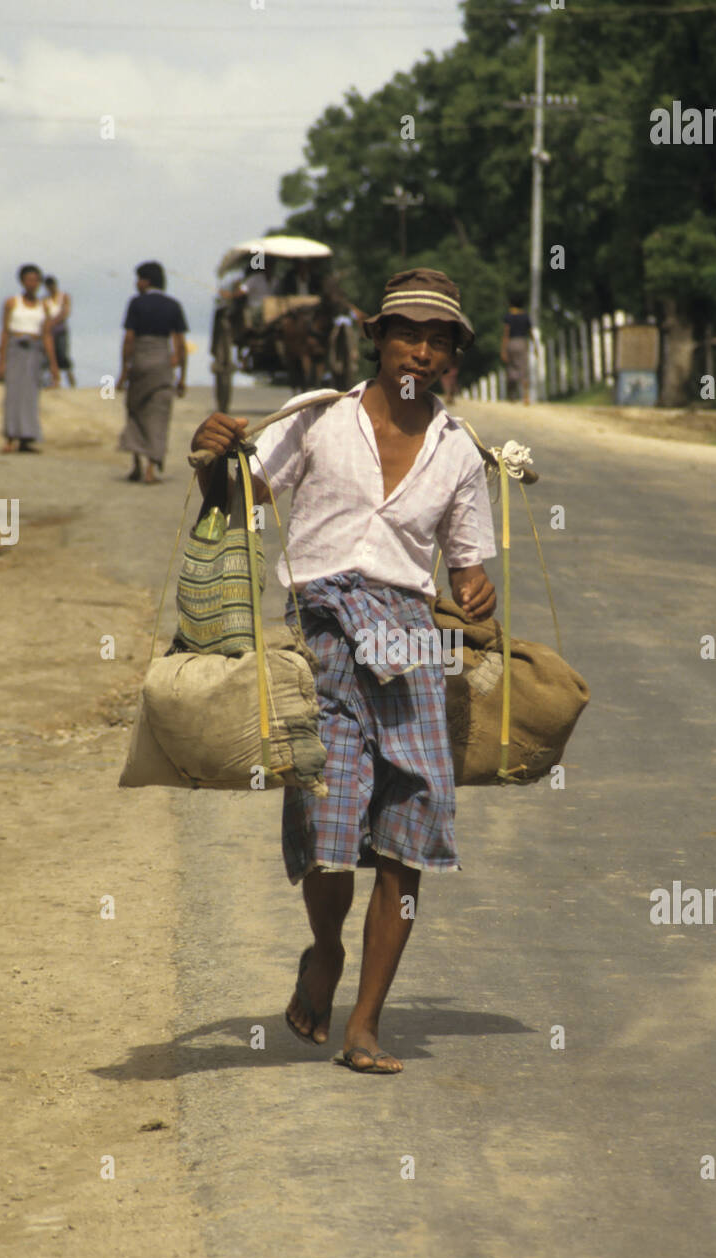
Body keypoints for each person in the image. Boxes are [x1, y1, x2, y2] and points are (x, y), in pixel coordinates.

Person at [190, 268, 497, 1075]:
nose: (420, 351)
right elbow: (240, 498)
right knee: (328, 828)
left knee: (411, 826)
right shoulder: (319, 418)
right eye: (407, 333)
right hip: (322, 632)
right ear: (378, 338)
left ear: (452, 355)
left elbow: (467, 568)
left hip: (410, 644)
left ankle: (366, 1022)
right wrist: (210, 457)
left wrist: (472, 588)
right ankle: (323, 949)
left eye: (437, 340)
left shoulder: (460, 451)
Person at [118, 261, 188, 484]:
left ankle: (136, 464)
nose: (136, 283)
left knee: (136, 411)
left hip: (140, 361)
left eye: (139, 278)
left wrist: (123, 371)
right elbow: (180, 344)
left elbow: (129, 339)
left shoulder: (136, 303)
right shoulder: (173, 305)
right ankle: (151, 468)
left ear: (146, 281)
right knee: (158, 415)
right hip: (162, 363)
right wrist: (182, 377)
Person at [0, 264, 59, 453]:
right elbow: (5, 332)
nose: (33, 284)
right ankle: (10, 437)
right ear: (22, 281)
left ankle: (26, 438)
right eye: (29, 280)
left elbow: (47, 335)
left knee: (30, 394)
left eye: (36, 280)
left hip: (34, 351)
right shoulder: (12, 302)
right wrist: (1, 360)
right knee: (13, 393)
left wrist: (53, 365)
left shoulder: (44, 306)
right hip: (16, 349)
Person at [42, 276, 76, 387]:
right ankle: (54, 381)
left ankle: (71, 381)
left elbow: (65, 312)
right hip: (49, 331)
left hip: (61, 329)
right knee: (49, 356)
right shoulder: (45, 300)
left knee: (63, 354)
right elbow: (45, 314)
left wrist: (53, 322)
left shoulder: (63, 296)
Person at [501, 292, 532, 404]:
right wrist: (535, 345)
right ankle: (526, 395)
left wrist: (503, 349)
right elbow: (530, 332)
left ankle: (512, 395)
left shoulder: (509, 316)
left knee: (511, 368)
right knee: (523, 368)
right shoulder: (525, 316)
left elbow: (506, 333)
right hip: (522, 342)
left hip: (511, 343)